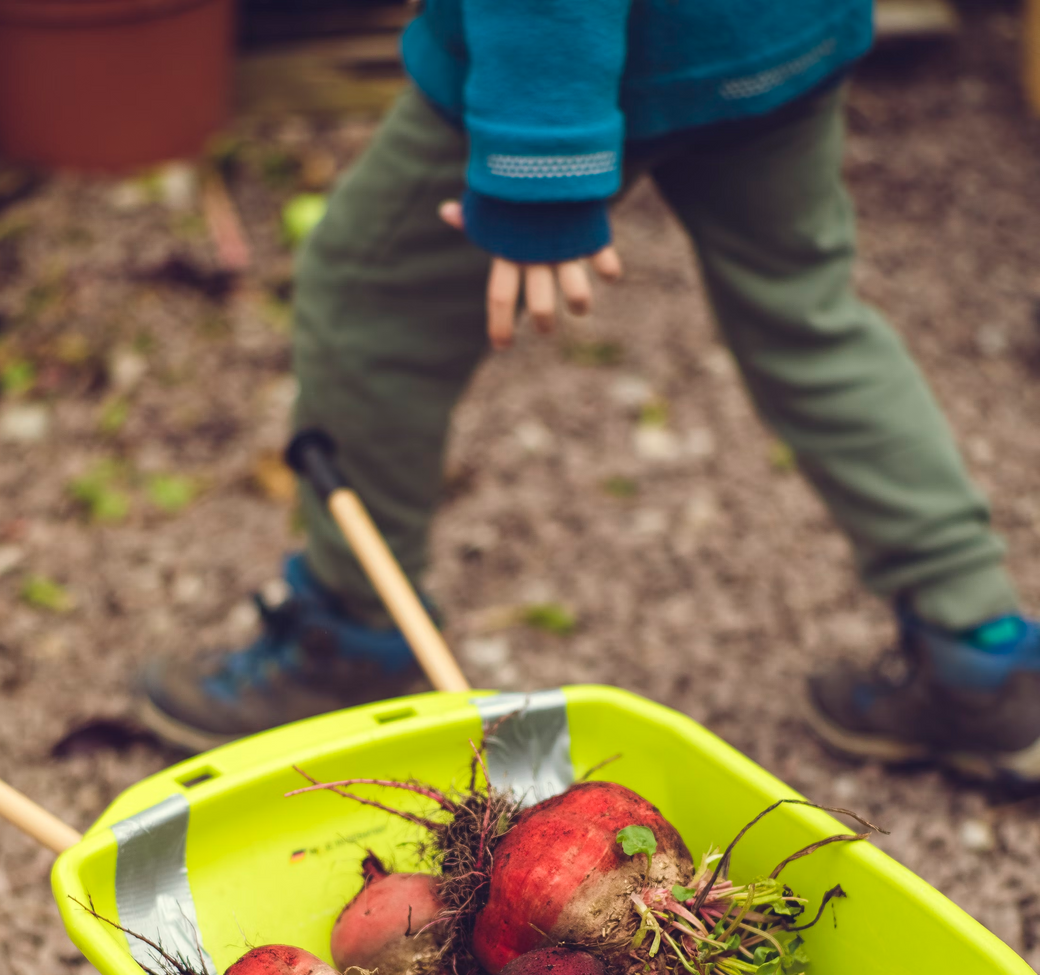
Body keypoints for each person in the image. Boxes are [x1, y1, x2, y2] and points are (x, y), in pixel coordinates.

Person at [140, 0, 1040, 783]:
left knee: (370, 304)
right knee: (809, 317)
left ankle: (354, 633)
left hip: (623, 52)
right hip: (776, 37)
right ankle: (980, 651)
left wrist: (539, 163)